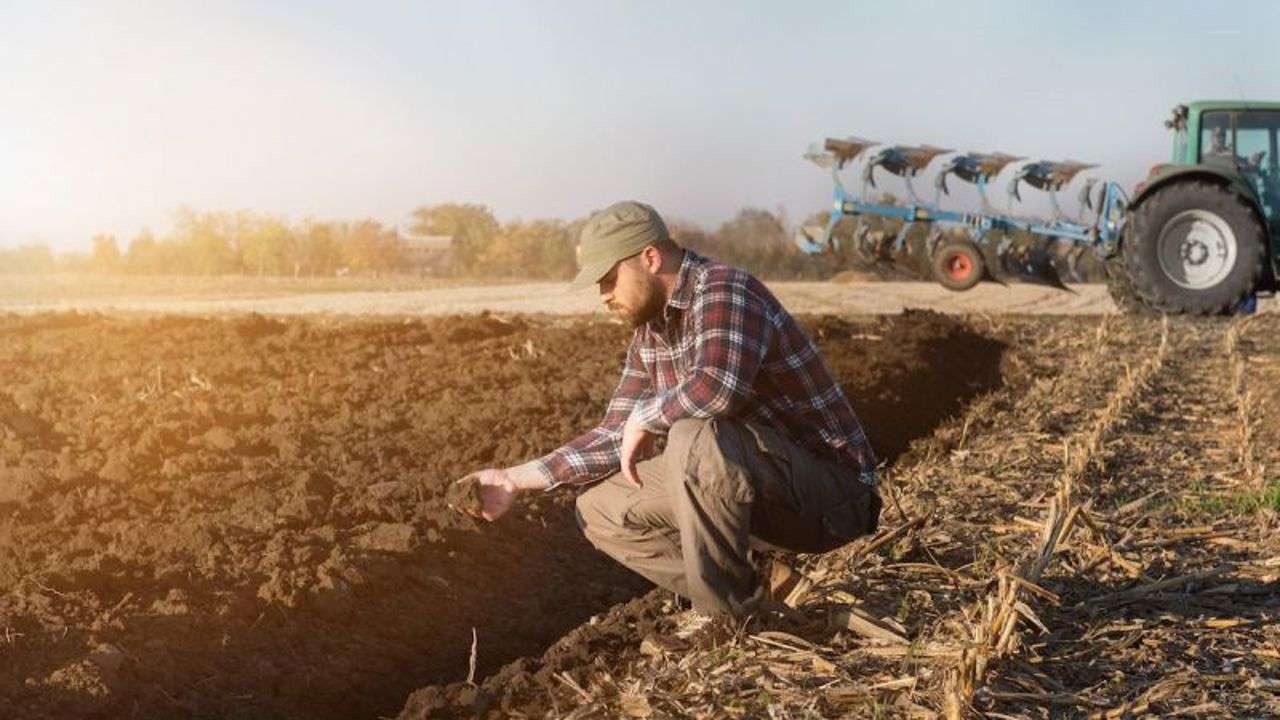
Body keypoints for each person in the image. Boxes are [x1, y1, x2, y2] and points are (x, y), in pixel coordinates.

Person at [460, 201, 881, 622]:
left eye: (608, 279)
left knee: (692, 437)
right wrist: (514, 478)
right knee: (600, 509)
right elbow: (614, 434)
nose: (603, 295)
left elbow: (715, 389)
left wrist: (645, 418)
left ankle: (728, 621)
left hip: (832, 498)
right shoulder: (650, 334)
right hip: (761, 491)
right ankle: (754, 592)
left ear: (650, 257)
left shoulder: (723, 289)